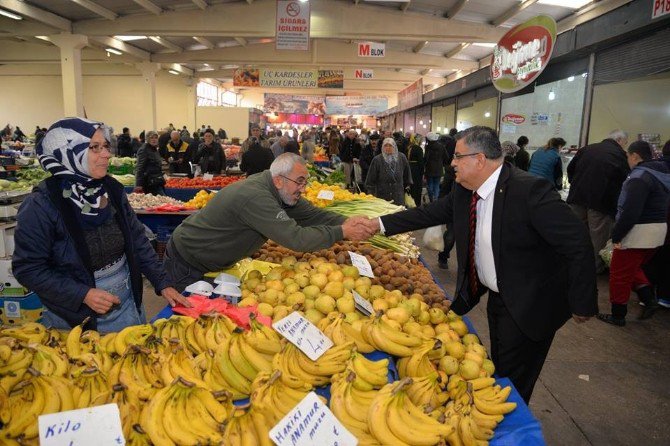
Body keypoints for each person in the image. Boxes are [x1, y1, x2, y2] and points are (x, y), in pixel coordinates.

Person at [362, 126, 597, 403]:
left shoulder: (530, 191)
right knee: (499, 364)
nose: (452, 163)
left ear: (480, 159)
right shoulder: (465, 191)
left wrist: (581, 301)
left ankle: (507, 424)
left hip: (531, 304)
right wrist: (376, 224)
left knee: (513, 383)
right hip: (497, 298)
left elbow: (577, 243)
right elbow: (427, 213)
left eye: (458, 156)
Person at [12, 118, 189, 332]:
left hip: (126, 302)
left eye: (105, 146)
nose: (106, 154)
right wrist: (82, 294)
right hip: (73, 316)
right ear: (68, 153)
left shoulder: (111, 190)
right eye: (94, 148)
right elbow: (28, 268)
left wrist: (163, 282)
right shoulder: (41, 205)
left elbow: (137, 240)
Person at [163, 153, 374, 291]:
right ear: (279, 180)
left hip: (211, 261)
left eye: (305, 181)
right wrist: (342, 231)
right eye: (299, 181)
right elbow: (296, 239)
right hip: (187, 262)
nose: (304, 188)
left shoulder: (279, 190)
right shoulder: (257, 197)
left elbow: (313, 215)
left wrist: (348, 221)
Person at [598, 141, 670, 326]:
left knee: (619, 273)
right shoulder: (662, 174)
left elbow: (631, 210)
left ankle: (618, 315)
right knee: (632, 267)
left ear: (635, 156)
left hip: (637, 231)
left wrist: (617, 234)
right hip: (658, 231)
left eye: (628, 157)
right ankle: (649, 298)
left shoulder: (640, 176)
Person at [567, 129, 630, 274]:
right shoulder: (620, 155)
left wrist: (575, 185)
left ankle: (571, 261)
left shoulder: (586, 149)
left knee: (575, 232)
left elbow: (571, 169)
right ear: (620, 140)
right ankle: (594, 269)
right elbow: (624, 180)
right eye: (625, 143)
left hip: (577, 197)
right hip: (601, 202)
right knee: (597, 237)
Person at [365, 138, 412, 206]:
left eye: (390, 145)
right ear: (382, 147)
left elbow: (407, 174)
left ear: (394, 147)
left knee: (398, 214)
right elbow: (370, 180)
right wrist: (371, 196)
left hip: (398, 195)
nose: (388, 148)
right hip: (382, 195)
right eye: (385, 145)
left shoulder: (402, 157)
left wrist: (407, 186)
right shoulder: (377, 159)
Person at [135, 131, 166, 195]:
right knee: (163, 199)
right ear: (147, 139)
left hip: (156, 180)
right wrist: (138, 184)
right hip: (149, 182)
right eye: (151, 138)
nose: (154, 140)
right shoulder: (144, 150)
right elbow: (139, 167)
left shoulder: (154, 149)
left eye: (156, 138)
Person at [424, 132, 449, 202]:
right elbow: (447, 157)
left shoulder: (428, 147)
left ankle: (431, 200)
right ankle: (436, 200)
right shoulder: (441, 146)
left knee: (430, 185)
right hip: (439, 169)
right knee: (437, 185)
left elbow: (425, 158)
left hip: (429, 169)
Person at [407, 134, 425, 207]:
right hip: (416, 169)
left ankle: (410, 201)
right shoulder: (418, 148)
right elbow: (421, 162)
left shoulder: (409, 147)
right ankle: (416, 203)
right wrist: (422, 173)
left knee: (411, 186)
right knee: (417, 187)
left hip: (410, 168)